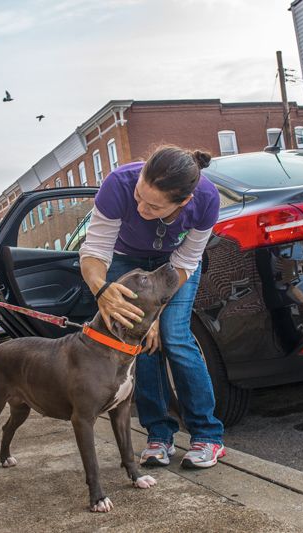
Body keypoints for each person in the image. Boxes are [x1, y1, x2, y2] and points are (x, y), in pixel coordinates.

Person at [79, 145, 226, 470]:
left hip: (175, 265)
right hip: (124, 258)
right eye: (139, 196)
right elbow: (96, 249)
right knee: (138, 343)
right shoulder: (118, 185)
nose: (141, 207)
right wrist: (101, 289)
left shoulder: (205, 200)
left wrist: (155, 312)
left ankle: (208, 435)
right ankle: (159, 434)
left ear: (182, 202)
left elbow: (187, 260)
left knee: (173, 336)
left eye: (153, 205)